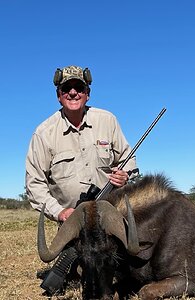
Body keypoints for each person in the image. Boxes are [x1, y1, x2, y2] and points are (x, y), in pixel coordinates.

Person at [25, 65, 139, 294]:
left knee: (135, 266)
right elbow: (34, 184)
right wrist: (60, 212)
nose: (73, 92)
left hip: (110, 213)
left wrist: (125, 175)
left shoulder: (107, 120)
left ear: (88, 93)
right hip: (72, 220)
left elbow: (129, 160)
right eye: (66, 88)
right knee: (78, 272)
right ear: (59, 95)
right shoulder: (44, 133)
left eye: (79, 87)